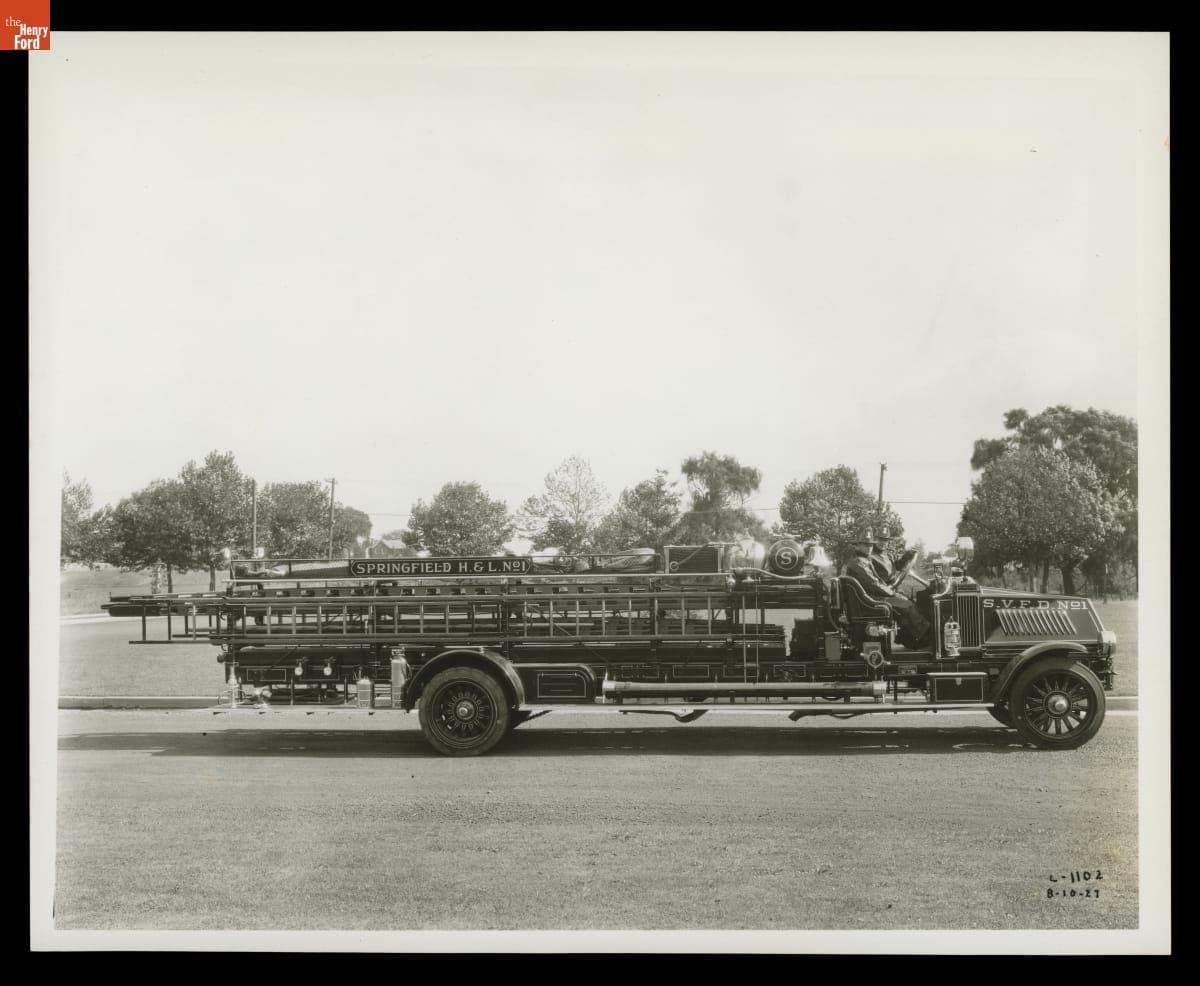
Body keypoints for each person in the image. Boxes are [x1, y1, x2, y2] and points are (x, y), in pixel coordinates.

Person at [842, 530, 931, 648]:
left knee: (907, 602)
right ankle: (926, 638)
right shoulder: (858, 562)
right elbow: (873, 584)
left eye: (870, 544)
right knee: (907, 605)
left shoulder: (864, 560)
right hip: (871, 599)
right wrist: (893, 594)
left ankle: (911, 639)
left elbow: (879, 580)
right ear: (857, 545)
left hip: (871, 596)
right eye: (865, 544)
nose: (869, 547)